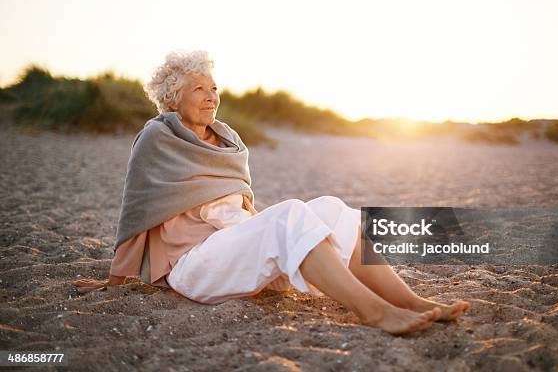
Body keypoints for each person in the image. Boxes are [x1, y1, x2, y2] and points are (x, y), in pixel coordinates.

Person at [73, 50, 469, 335]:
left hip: (231, 250)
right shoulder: (157, 137)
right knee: (291, 212)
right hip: (194, 266)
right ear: (173, 97)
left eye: (213, 87)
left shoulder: (226, 139)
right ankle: (375, 311)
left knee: (331, 207)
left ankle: (412, 302)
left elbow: (237, 213)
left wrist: (269, 242)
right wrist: (116, 280)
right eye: (198, 89)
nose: (211, 96)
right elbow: (136, 208)